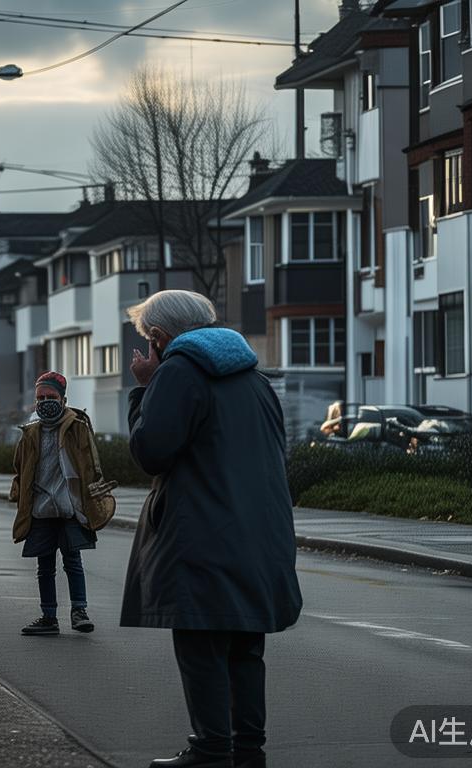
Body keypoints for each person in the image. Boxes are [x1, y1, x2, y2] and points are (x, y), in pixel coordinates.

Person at [122, 290, 303, 768]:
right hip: (259, 534)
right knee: (245, 646)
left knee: (200, 644)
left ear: (160, 338)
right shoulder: (254, 379)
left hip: (200, 535)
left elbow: (151, 451)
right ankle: (247, 751)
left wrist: (143, 389)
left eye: (149, 340)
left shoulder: (178, 374)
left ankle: (209, 750)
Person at [9, 371, 101, 636]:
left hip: (71, 507)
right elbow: (20, 466)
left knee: (73, 561)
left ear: (63, 399)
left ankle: (79, 611)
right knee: (44, 566)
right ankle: (49, 616)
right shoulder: (30, 432)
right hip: (40, 509)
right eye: (40, 397)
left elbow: (91, 464)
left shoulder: (77, 427)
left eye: (51, 396)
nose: (45, 401)